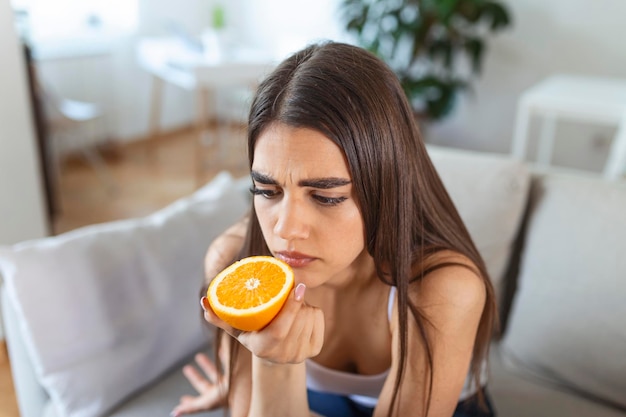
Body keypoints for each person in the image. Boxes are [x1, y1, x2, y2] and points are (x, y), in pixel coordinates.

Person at [171, 40, 497, 417]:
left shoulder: (442, 288)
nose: (286, 229)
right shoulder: (238, 267)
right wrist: (274, 367)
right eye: (267, 190)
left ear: (385, 186)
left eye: (325, 197)